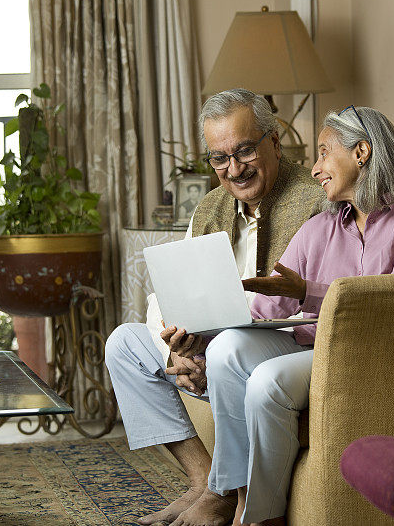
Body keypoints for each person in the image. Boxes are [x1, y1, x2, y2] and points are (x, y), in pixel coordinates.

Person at [173, 106, 394, 526]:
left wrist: (309, 292)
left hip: (372, 349)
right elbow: (264, 311)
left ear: (362, 152)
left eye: (324, 153)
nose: (316, 168)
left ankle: (260, 518)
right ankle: (232, 492)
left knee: (267, 383)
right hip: (309, 344)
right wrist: (200, 345)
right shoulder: (318, 229)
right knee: (229, 347)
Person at [105, 88, 322, 526]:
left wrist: (213, 345)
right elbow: (167, 295)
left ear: (274, 142)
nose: (234, 169)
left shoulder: (316, 201)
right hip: (207, 348)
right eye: (219, 158)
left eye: (244, 151)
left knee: (231, 350)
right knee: (123, 345)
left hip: (271, 349)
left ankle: (226, 492)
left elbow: (308, 306)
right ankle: (206, 483)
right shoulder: (209, 207)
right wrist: (175, 350)